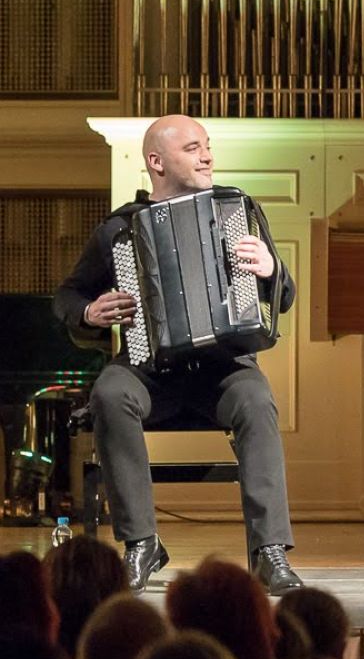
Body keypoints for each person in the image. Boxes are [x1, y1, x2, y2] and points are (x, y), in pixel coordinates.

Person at [53, 115, 302, 594]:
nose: (208, 155)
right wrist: (89, 311)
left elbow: (284, 297)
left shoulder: (238, 209)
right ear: (156, 162)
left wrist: (272, 269)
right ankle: (142, 543)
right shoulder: (120, 230)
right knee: (109, 392)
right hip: (151, 369)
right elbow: (66, 296)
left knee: (256, 401)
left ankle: (269, 552)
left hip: (223, 368)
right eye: (193, 148)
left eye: (207, 146)